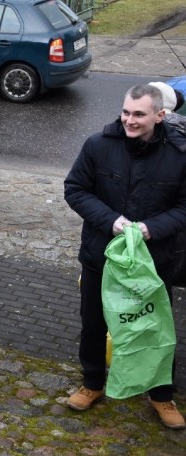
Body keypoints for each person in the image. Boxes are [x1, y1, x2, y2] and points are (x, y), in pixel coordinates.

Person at [63, 84, 186, 429]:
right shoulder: (98, 146)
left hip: (153, 261)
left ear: (160, 116)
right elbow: (75, 189)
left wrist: (151, 228)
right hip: (100, 257)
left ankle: (162, 395)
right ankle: (92, 383)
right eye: (126, 112)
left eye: (139, 114)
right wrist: (110, 220)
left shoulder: (179, 155)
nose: (129, 120)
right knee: (93, 323)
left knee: (155, 328)